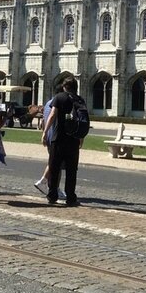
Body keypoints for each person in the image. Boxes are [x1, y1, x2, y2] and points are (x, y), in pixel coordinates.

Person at [42, 76, 83, 207]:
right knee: (71, 170)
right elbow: (83, 120)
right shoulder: (80, 100)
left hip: (58, 138)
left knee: (54, 167)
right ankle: (71, 197)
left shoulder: (59, 97)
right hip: (74, 140)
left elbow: (52, 115)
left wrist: (45, 132)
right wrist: (81, 137)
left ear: (64, 87)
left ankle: (52, 195)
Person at [34, 87, 65, 199]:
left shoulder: (47, 103)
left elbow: (43, 121)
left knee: (53, 162)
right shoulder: (58, 104)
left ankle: (49, 185)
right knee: (57, 164)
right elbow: (51, 118)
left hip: (49, 136)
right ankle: (50, 186)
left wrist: (44, 134)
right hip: (55, 137)